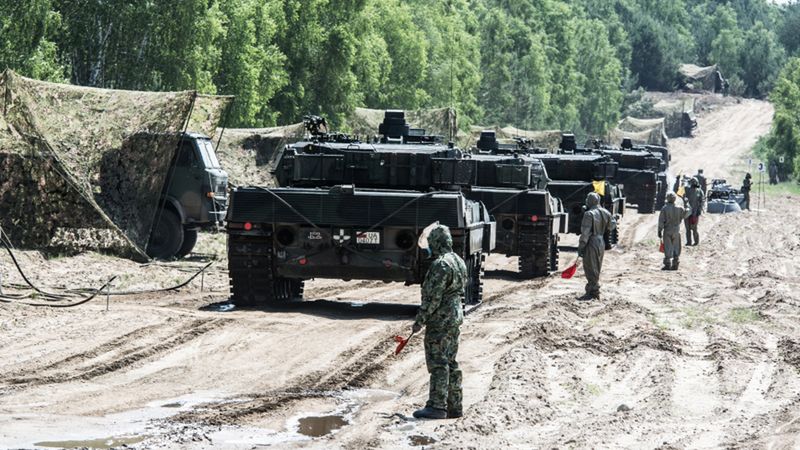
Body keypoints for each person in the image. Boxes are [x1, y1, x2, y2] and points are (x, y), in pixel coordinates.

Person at [411, 224, 467, 420]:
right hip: (454, 317)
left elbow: (432, 297)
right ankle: (454, 406)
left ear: (436, 243)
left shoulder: (441, 265)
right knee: (451, 361)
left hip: (440, 320)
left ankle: (437, 406)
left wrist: (420, 320)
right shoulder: (458, 261)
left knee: (438, 363)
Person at [578, 192, 615, 301]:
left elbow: (585, 233)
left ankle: (593, 290)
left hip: (592, 241)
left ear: (590, 201)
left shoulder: (589, 214)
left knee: (590, 266)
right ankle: (593, 289)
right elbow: (612, 225)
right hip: (601, 240)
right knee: (597, 266)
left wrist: (581, 246)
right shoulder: (606, 212)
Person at [658, 192, 690, 270]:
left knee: (667, 247)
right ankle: (675, 262)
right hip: (676, 230)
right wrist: (687, 204)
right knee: (676, 246)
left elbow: (661, 221)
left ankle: (667, 264)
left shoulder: (664, 208)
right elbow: (687, 213)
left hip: (667, 230)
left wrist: (659, 230)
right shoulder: (680, 208)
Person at [684, 177, 705, 246]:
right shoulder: (686, 190)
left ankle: (696, 242)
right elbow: (677, 191)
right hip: (687, 212)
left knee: (694, 229)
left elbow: (702, 202)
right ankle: (689, 242)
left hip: (695, 213)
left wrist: (699, 210)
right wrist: (678, 181)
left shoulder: (699, 191)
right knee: (688, 229)